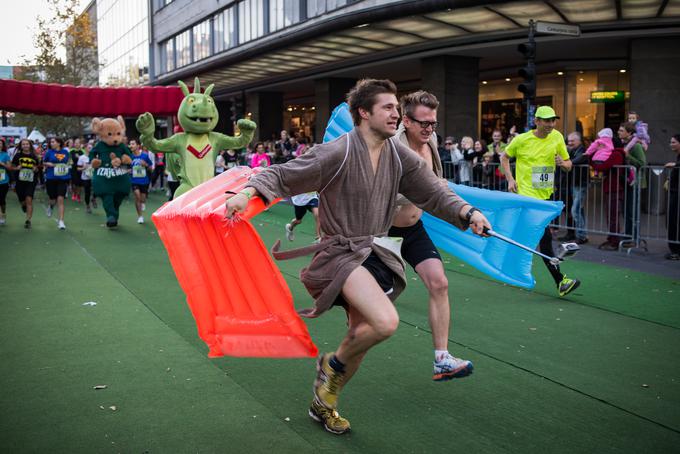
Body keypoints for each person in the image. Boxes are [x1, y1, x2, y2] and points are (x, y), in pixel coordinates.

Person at [225, 79, 490, 435]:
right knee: (384, 322)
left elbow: (434, 193)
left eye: (397, 107)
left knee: (361, 335)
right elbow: (282, 174)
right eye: (388, 108)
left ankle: (325, 401)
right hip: (339, 253)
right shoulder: (337, 151)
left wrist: (469, 213)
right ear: (364, 113)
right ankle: (331, 365)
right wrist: (246, 193)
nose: (396, 114)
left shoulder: (400, 156)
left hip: (377, 251)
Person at [389, 90, 474, 381]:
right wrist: (432, 188)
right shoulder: (390, 148)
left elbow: (434, 186)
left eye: (433, 123)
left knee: (439, 283)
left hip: (413, 229)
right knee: (374, 316)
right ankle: (336, 365)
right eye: (422, 123)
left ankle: (442, 359)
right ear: (406, 121)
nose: (428, 129)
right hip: (381, 233)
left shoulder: (431, 141)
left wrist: (461, 207)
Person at [501, 106, 580, 297]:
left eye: (553, 120)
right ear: (536, 121)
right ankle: (561, 281)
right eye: (546, 120)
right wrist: (511, 179)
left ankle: (508, 266)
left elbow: (569, 164)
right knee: (545, 240)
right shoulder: (521, 139)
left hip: (546, 198)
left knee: (528, 238)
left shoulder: (557, 137)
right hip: (526, 198)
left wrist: (564, 164)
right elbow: (504, 157)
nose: (550, 124)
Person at [593, 138, 627, 250]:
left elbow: (603, 166)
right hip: (612, 188)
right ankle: (611, 238)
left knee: (613, 216)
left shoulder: (616, 154)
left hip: (615, 188)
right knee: (611, 216)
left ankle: (614, 242)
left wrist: (592, 158)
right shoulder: (616, 153)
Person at [618, 122, 647, 247]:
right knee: (627, 211)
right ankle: (629, 235)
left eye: (621, 130)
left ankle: (633, 238)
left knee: (632, 212)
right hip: (628, 182)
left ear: (629, 133)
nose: (619, 132)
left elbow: (642, 163)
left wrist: (628, 155)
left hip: (636, 183)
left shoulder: (636, 146)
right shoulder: (625, 145)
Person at [566, 132, 589, 244]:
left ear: (579, 140)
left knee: (575, 210)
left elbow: (580, 159)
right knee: (579, 210)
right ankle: (581, 234)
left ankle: (581, 235)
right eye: (568, 141)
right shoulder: (572, 150)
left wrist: (568, 163)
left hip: (581, 184)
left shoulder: (583, 150)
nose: (569, 143)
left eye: (572, 141)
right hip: (575, 184)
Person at [43, 137, 71, 230]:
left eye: (53, 142)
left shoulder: (65, 152)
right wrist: (48, 164)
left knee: (60, 199)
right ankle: (51, 206)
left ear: (59, 143)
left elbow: (69, 162)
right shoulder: (49, 152)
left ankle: (61, 221)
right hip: (51, 178)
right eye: (50, 142)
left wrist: (68, 166)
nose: (51, 143)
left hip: (62, 178)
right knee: (52, 199)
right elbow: (43, 162)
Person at [11, 139, 40, 228]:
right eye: (23, 144)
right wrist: (17, 168)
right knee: (22, 201)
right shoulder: (17, 155)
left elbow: (38, 168)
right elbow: (12, 167)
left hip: (31, 181)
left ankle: (28, 220)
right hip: (20, 181)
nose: (25, 146)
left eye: (27, 144)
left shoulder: (34, 156)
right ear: (21, 146)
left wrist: (36, 169)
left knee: (29, 200)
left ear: (30, 145)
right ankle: (23, 206)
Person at [664, 134, 680, 260]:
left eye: (674, 142)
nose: (671, 144)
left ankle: (676, 250)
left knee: (674, 221)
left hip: (677, 193)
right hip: (675, 191)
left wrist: (674, 166)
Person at [129, 139, 153, 224]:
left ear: (138, 146)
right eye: (130, 144)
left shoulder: (145, 156)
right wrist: (129, 170)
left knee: (142, 198)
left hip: (144, 181)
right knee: (137, 196)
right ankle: (140, 216)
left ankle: (143, 202)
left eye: (133, 143)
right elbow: (127, 167)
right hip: (134, 180)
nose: (131, 145)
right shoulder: (130, 157)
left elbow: (151, 168)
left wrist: (146, 165)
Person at [77, 144, 94, 213]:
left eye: (92, 148)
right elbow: (78, 168)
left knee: (97, 189)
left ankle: (94, 198)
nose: (91, 149)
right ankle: (88, 206)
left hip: (94, 177)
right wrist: (83, 168)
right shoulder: (82, 157)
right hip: (85, 177)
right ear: (85, 149)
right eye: (89, 148)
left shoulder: (95, 157)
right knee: (87, 192)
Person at [69, 138, 85, 203]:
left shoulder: (83, 151)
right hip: (73, 168)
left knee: (80, 184)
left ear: (80, 144)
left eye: (78, 143)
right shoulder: (71, 151)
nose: (76, 144)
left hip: (81, 168)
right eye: (75, 143)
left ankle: (78, 196)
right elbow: (69, 158)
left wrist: (80, 158)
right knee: (74, 183)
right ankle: (74, 193)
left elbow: (85, 159)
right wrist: (70, 162)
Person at [0, 140, 9, 225]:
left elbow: (9, 167)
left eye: (0, 144)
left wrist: (2, 164)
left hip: (3, 181)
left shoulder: (5, 155)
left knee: (1, 199)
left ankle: (3, 213)